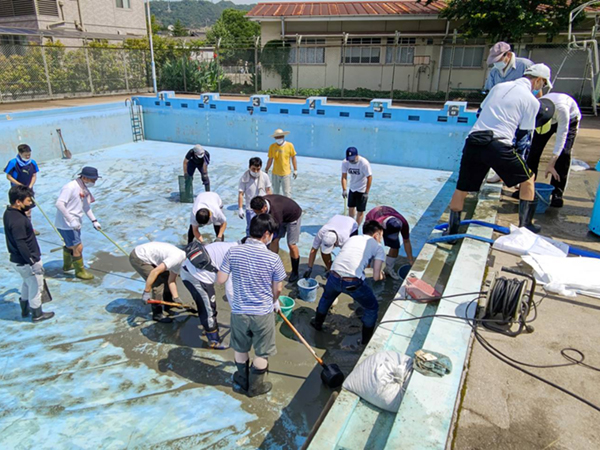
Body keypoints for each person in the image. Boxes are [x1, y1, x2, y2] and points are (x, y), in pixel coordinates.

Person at [446, 64, 555, 237]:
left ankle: (451, 232)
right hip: (498, 144)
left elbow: (480, 112)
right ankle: (525, 228)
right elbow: (524, 138)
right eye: (542, 84)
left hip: (473, 141)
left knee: (462, 188)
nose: (541, 88)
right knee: (529, 179)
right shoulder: (531, 100)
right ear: (539, 80)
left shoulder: (498, 87)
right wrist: (514, 165)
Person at [216, 214, 287, 397]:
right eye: (271, 234)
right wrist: (274, 301)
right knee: (262, 353)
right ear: (266, 234)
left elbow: (221, 279)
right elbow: (278, 288)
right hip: (262, 313)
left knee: (241, 349)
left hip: (239, 312)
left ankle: (241, 380)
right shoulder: (273, 258)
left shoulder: (233, 252)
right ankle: (255, 387)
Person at [310, 220, 386, 345]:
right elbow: (376, 277)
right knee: (372, 308)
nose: (381, 239)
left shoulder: (352, 239)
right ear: (376, 235)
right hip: (353, 282)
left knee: (326, 298)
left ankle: (317, 323)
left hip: (334, 275)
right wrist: (382, 275)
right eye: (381, 236)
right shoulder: (378, 247)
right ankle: (365, 341)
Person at [3, 185, 54, 322]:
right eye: (28, 201)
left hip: (17, 261)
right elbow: (21, 244)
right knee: (36, 287)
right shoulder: (18, 221)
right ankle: (37, 313)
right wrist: (32, 262)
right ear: (18, 202)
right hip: (26, 261)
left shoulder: (9, 213)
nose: (30, 203)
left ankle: (25, 308)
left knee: (27, 283)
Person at [523, 93, 581, 208]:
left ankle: (557, 194)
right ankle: (527, 187)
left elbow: (561, 138)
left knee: (564, 153)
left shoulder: (562, 110)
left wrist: (551, 163)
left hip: (570, 118)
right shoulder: (534, 106)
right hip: (546, 119)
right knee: (533, 151)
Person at [181, 240, 239, 349]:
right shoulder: (235, 256)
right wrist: (238, 313)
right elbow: (230, 291)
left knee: (206, 305)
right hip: (195, 276)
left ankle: (209, 328)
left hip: (193, 270)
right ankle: (213, 340)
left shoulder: (232, 245)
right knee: (208, 308)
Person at [55, 166, 102, 280]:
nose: (94, 182)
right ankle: (80, 272)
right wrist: (71, 220)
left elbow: (86, 206)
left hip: (76, 222)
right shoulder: (70, 187)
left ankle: (68, 265)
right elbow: (59, 204)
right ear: (85, 177)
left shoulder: (84, 188)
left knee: (71, 245)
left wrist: (94, 221)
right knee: (78, 247)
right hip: (66, 224)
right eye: (93, 180)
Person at [129, 241, 186, 323]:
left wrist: (176, 297)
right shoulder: (176, 259)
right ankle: (157, 314)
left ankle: (169, 303)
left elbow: (171, 280)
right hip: (139, 257)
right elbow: (154, 272)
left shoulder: (181, 262)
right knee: (158, 283)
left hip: (149, 254)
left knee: (166, 276)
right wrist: (146, 292)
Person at [250, 195, 302, 282]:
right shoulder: (260, 201)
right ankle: (272, 264)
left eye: (259, 213)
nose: (257, 215)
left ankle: (295, 272)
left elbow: (275, 229)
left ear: (264, 207)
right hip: (281, 215)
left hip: (293, 216)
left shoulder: (276, 212)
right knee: (274, 241)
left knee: (291, 244)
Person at [365, 206, 414, 279]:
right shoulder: (375, 224)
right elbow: (368, 244)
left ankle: (389, 268)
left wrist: (410, 260)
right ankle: (373, 268)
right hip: (374, 216)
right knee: (374, 245)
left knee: (395, 245)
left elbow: (406, 241)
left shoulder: (404, 223)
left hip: (387, 219)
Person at [303, 214, 358, 279]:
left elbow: (346, 256)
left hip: (352, 225)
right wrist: (309, 268)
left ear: (335, 243)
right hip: (337, 219)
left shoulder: (345, 239)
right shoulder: (321, 233)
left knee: (350, 255)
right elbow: (313, 250)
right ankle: (329, 270)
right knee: (323, 252)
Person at [4, 144, 40, 234]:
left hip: (28, 189)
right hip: (17, 190)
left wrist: (30, 186)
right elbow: (8, 176)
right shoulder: (13, 162)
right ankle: (19, 228)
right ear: (20, 153)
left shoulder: (32, 163)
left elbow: (34, 175)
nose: (28, 156)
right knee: (18, 209)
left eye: (29, 154)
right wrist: (19, 185)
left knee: (28, 209)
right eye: (25, 155)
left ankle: (29, 228)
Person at [238, 157, 272, 236]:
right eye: (253, 169)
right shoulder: (244, 178)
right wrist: (240, 208)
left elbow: (268, 190)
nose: (256, 171)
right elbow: (241, 194)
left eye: (258, 169)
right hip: (251, 208)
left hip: (263, 207)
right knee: (251, 228)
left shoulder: (264, 176)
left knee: (265, 228)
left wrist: (271, 204)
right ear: (249, 167)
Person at [341, 147, 372, 226]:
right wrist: (344, 189)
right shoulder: (345, 162)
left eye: (352, 158)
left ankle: (356, 227)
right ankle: (350, 225)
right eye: (349, 159)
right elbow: (344, 177)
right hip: (352, 188)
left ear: (357, 155)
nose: (351, 160)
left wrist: (366, 192)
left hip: (362, 189)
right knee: (351, 208)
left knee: (360, 211)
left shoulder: (364, 163)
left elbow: (369, 177)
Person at [265, 128, 297, 198]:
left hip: (286, 173)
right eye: (277, 137)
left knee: (287, 192)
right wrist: (266, 169)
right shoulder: (272, 147)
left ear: (283, 136)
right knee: (276, 192)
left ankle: (288, 207)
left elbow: (293, 158)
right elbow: (270, 159)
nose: (278, 138)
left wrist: (295, 170)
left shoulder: (289, 145)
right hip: (275, 173)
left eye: (280, 137)